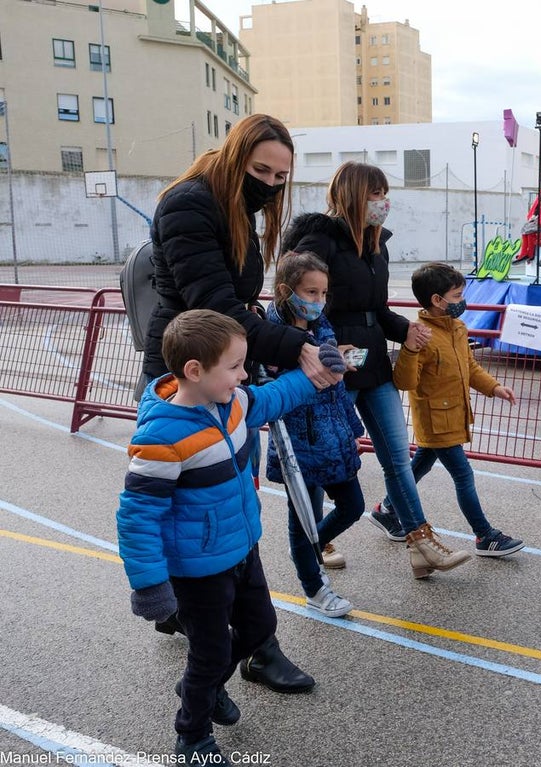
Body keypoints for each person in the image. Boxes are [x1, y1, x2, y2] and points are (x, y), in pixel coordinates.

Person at [144, 112, 331, 694]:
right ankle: (241, 641)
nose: (271, 185)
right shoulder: (189, 204)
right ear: (233, 156)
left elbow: (240, 309)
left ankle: (235, 632)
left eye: (281, 177)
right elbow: (218, 303)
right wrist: (299, 344)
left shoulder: (238, 209)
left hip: (222, 372)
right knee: (200, 509)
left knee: (230, 510)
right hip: (189, 379)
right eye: (261, 171)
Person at [117, 310, 346, 764]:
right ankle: (193, 735)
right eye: (236, 366)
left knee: (260, 627)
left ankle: (202, 686)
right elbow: (137, 516)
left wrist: (317, 375)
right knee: (211, 650)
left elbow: (275, 396)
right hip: (197, 568)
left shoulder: (234, 402)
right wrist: (149, 585)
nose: (244, 375)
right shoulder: (161, 436)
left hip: (243, 548)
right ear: (195, 371)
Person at [281, 161, 472, 578]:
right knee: (321, 458)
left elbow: (377, 309)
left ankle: (420, 541)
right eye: (375, 194)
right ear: (351, 194)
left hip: (373, 365)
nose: (383, 203)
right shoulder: (319, 241)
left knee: (397, 460)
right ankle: (318, 538)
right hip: (333, 367)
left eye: (385, 193)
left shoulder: (376, 244)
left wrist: (406, 330)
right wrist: (326, 347)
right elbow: (305, 305)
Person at [372, 263, 525, 568]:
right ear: (437, 300)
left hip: (453, 415)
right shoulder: (422, 335)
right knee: (463, 475)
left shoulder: (458, 329)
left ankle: (387, 507)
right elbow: (405, 382)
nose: (462, 300)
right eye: (457, 295)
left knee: (419, 465)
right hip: (435, 419)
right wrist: (412, 349)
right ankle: (485, 535)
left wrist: (494, 388)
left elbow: (470, 369)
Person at [265, 251, 365, 617]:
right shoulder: (270, 333)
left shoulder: (323, 326)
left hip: (334, 437)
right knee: (302, 514)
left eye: (323, 293)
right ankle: (314, 587)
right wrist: (316, 362)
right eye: (310, 293)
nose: (318, 301)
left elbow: (336, 387)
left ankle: (308, 549)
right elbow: (270, 383)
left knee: (353, 505)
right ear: (286, 290)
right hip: (297, 443)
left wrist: (353, 429)